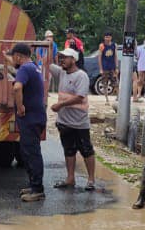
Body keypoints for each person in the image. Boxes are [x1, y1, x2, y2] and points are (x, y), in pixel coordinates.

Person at [49, 48, 97, 190]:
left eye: (65, 57)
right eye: (61, 57)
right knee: (68, 150)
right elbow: (47, 64)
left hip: (79, 123)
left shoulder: (81, 76)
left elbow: (79, 97)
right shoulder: (62, 73)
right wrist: (48, 47)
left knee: (86, 150)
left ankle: (91, 180)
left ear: (73, 60)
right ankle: (70, 178)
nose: (62, 60)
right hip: (64, 122)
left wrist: (60, 105)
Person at [8, 43, 47, 202]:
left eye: (13, 57)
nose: (12, 60)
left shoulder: (24, 69)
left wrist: (20, 107)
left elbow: (17, 88)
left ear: (18, 56)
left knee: (32, 154)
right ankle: (33, 186)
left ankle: (37, 190)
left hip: (30, 119)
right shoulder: (33, 67)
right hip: (36, 117)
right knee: (28, 153)